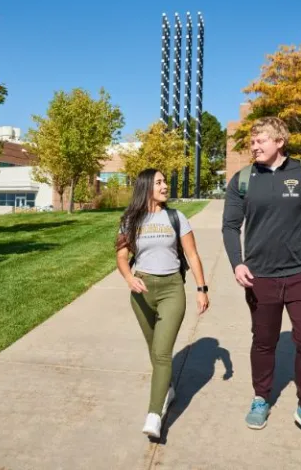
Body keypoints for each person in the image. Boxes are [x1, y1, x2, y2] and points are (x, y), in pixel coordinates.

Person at [222, 117, 301, 446]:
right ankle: (261, 398)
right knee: (264, 341)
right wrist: (237, 263)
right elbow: (230, 227)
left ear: (279, 142)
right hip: (260, 276)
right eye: (251, 141)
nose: (253, 146)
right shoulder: (242, 180)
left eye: (260, 140)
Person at [116, 168, 210, 439]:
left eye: (164, 182)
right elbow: (122, 257)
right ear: (146, 187)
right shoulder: (130, 220)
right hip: (142, 292)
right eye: (159, 182)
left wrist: (201, 288)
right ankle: (167, 387)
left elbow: (192, 255)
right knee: (154, 348)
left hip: (171, 289)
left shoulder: (176, 217)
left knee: (161, 352)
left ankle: (155, 414)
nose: (165, 186)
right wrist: (128, 278)